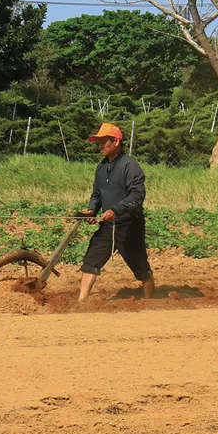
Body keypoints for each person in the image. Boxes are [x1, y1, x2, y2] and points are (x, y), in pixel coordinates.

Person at [77, 122, 155, 303]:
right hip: (108, 226)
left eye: (104, 141)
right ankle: (81, 303)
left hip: (130, 226)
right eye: (98, 142)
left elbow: (137, 195)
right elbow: (97, 194)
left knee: (141, 268)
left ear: (116, 141)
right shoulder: (101, 168)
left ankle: (151, 302)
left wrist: (116, 210)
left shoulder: (130, 166)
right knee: (91, 261)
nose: (100, 146)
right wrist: (91, 210)